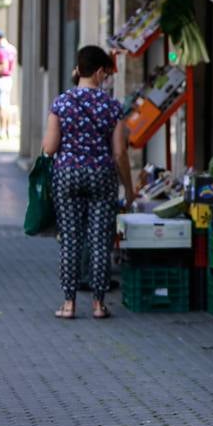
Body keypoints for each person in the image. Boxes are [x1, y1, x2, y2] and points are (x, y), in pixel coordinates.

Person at [41, 46, 135, 319]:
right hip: (101, 177)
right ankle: (98, 304)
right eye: (105, 73)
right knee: (99, 240)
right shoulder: (112, 106)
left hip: (67, 175)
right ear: (98, 72)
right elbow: (119, 152)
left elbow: (49, 148)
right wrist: (128, 188)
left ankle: (69, 304)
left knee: (70, 238)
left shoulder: (61, 102)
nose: (105, 78)